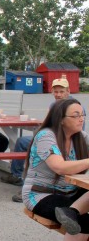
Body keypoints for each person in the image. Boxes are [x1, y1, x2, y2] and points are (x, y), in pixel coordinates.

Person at [1, 78, 86, 202]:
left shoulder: (75, 107)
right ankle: (17, 175)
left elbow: (77, 133)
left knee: (37, 148)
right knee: (21, 141)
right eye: (56, 92)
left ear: (68, 91)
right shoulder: (53, 106)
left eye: (61, 91)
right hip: (50, 138)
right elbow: (46, 125)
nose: (58, 94)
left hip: (64, 142)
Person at [22, 98, 89, 239]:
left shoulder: (81, 137)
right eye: (76, 115)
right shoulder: (46, 136)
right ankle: (71, 212)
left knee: (77, 220)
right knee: (83, 224)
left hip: (69, 193)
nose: (81, 119)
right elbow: (59, 167)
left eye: (83, 115)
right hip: (41, 194)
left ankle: (71, 211)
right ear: (61, 119)